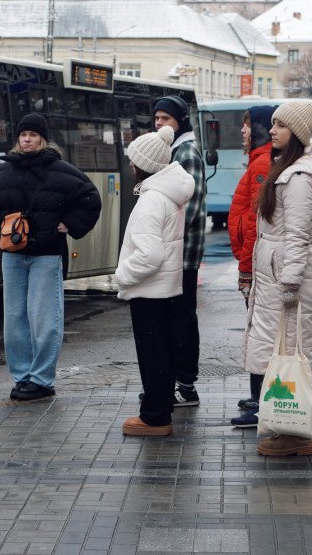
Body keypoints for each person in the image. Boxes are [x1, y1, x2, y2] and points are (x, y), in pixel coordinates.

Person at [233, 102, 312, 459]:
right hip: (275, 276)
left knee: (296, 351)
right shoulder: (284, 170)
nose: (271, 131)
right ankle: (284, 428)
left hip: (287, 280)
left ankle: (297, 434)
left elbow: (298, 237)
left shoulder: (300, 179)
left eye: (280, 126)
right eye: (272, 124)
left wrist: (290, 282)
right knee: (281, 351)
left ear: (298, 133)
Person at [0, 113, 101, 402]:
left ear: (43, 139)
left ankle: (42, 379)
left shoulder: (60, 169)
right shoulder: (3, 172)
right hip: (13, 255)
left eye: (33, 135)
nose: (27, 139)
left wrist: (69, 224)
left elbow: (90, 198)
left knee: (44, 317)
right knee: (14, 319)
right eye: (23, 135)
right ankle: (22, 377)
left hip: (46, 254)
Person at [115, 126, 195, 437]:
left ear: (142, 164)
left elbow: (149, 255)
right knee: (162, 351)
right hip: (166, 288)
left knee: (153, 355)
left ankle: (155, 416)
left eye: (132, 160)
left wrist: (122, 276)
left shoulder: (151, 200)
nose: (130, 165)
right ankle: (158, 409)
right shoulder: (167, 195)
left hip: (149, 290)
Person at [152, 95, 207, 408]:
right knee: (174, 318)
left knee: (182, 318)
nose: (160, 124)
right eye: (157, 119)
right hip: (174, 252)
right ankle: (175, 381)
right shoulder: (173, 150)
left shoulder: (185, 152)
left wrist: (163, 236)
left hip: (182, 254)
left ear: (179, 122)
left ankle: (186, 385)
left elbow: (192, 205)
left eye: (166, 119)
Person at [228, 105, 277, 411]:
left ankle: (261, 399)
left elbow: (255, 221)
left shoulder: (262, 164)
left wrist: (246, 267)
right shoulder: (259, 160)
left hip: (258, 265)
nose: (243, 131)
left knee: (260, 332)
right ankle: (258, 394)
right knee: (260, 330)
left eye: (248, 126)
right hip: (257, 261)